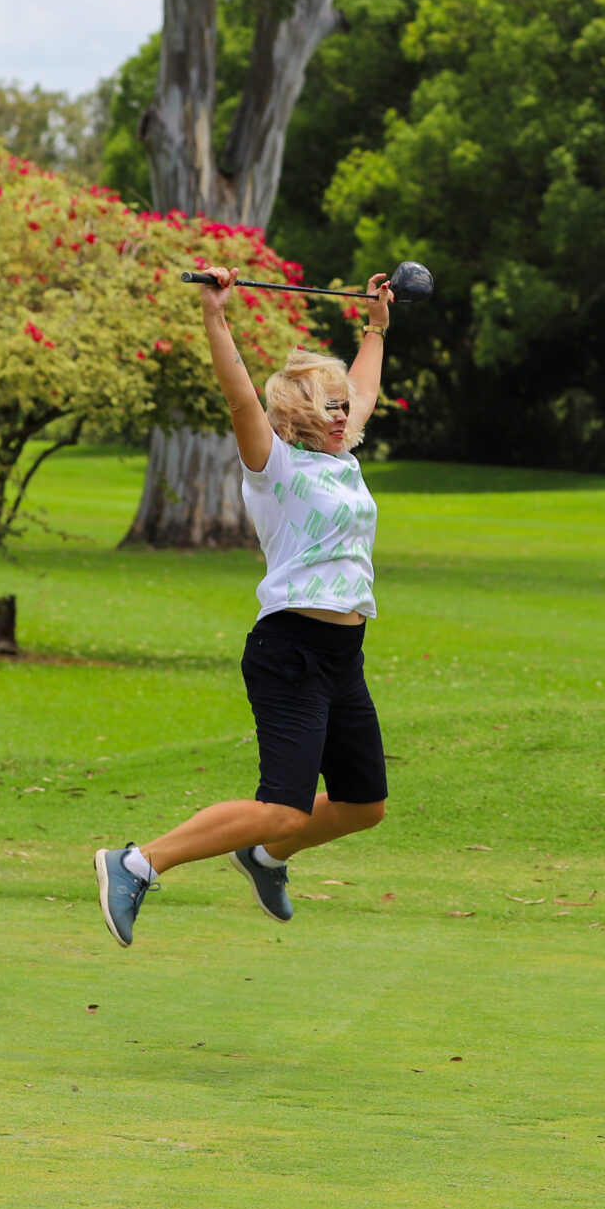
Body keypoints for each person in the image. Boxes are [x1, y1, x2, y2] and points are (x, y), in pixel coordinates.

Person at [93, 268, 397, 947]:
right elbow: (239, 403)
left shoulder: (344, 460)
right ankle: (137, 862)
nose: (344, 411)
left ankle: (263, 859)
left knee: (363, 803)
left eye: (345, 404)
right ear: (296, 411)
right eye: (329, 403)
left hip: (343, 654)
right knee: (279, 806)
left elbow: (367, 387)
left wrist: (376, 325)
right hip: (289, 651)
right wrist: (215, 316)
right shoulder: (275, 464)